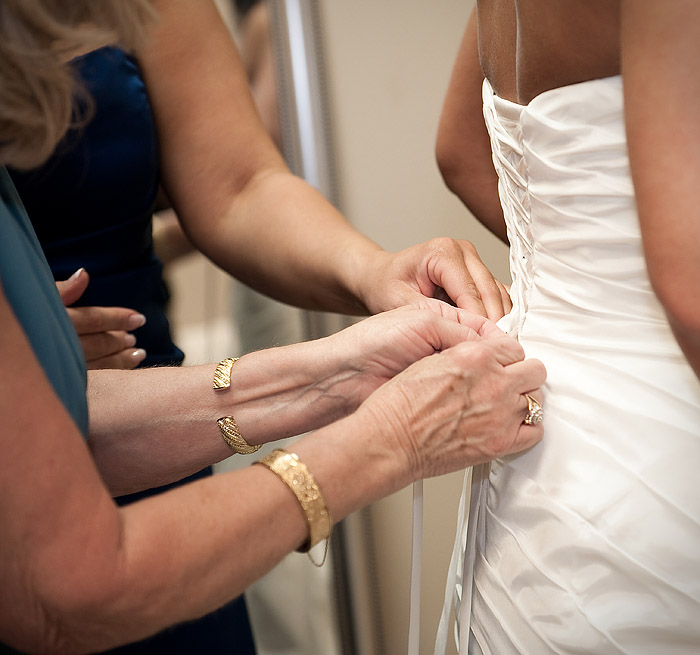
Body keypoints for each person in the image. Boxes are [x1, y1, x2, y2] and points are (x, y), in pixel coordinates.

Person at [0, 1, 547, 653]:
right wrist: (392, 437)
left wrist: (344, 354)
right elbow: (73, 586)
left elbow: (236, 182)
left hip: (146, 425)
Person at [432, 2, 700, 654]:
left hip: (534, 446)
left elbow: (459, 148)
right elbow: (688, 286)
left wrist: (581, 280)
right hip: (669, 446)